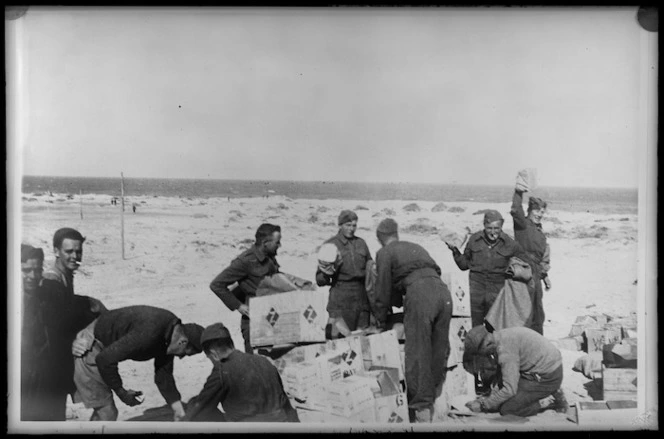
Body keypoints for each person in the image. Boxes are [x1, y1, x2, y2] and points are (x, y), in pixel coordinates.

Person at [372, 218, 453, 423]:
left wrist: (380, 322)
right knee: (438, 348)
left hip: (420, 293)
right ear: (396, 234)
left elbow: (381, 291)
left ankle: (421, 410)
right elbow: (435, 271)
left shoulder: (384, 253)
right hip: (443, 293)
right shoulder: (415, 246)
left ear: (380, 239)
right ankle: (435, 399)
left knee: (417, 351)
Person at [20, 242, 107, 421]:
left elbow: (67, 311)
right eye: (26, 270)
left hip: (48, 374)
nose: (33, 276)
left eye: (37, 270)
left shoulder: (45, 293)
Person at [71, 305, 204, 421]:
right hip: (91, 346)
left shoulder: (171, 333)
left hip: (104, 344)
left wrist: (178, 410)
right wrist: (122, 392)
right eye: (185, 354)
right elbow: (104, 359)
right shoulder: (150, 334)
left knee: (104, 412)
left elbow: (164, 376)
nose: (181, 357)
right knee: (107, 413)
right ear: (183, 342)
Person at [183, 323, 300, 422]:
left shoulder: (222, 370)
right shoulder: (264, 361)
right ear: (231, 344)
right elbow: (286, 404)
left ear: (214, 354)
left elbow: (200, 407)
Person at [446, 210, 531, 329]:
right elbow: (464, 265)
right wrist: (455, 252)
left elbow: (525, 265)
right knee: (475, 327)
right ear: (484, 226)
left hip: (497, 292)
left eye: (496, 228)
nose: (493, 232)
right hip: (475, 291)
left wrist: (514, 272)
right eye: (489, 228)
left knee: (494, 328)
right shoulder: (474, 240)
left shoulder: (510, 244)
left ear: (501, 226)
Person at [462, 325, 568, 417]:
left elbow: (509, 390)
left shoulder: (505, 352)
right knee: (500, 399)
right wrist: (487, 399)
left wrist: (483, 405)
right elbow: (503, 378)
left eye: (480, 353)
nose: (483, 356)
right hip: (544, 368)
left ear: (486, 344)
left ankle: (547, 400)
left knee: (508, 409)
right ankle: (550, 390)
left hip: (549, 376)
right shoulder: (500, 336)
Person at [209, 223, 282, 353]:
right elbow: (217, 285)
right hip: (254, 321)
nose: (279, 245)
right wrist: (238, 306)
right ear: (265, 242)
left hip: (272, 316)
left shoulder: (269, 257)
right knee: (255, 364)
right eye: (277, 242)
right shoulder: (245, 261)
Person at [315, 210, 373, 333]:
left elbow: (370, 267)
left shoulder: (361, 243)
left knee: (362, 337)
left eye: (354, 225)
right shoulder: (330, 245)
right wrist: (329, 272)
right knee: (339, 338)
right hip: (340, 296)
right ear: (340, 225)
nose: (351, 229)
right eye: (348, 225)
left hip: (361, 296)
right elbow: (319, 280)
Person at [511, 186, 551, 335]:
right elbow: (515, 210)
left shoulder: (540, 232)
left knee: (538, 314)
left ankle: (538, 345)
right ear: (529, 211)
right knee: (524, 312)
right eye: (536, 211)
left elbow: (541, 258)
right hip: (523, 272)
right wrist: (519, 192)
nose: (539, 215)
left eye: (542, 212)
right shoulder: (522, 225)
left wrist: (545, 276)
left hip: (536, 275)